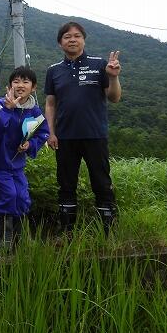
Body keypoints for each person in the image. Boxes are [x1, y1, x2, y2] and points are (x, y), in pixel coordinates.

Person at [44, 22, 122, 234]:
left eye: (77, 36)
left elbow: (114, 97)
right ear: (60, 43)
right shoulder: (53, 70)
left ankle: (107, 232)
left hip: (95, 135)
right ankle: (67, 232)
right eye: (67, 36)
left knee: (102, 182)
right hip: (65, 137)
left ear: (84, 40)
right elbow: (50, 104)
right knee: (66, 184)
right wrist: (51, 132)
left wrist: (113, 77)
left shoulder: (100, 64)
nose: (72, 39)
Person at [0, 66, 49, 246]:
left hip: (17, 165)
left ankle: (21, 237)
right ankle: (4, 238)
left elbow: (43, 132)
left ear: (33, 87)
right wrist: (8, 110)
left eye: (25, 82)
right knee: (8, 195)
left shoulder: (34, 111)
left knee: (22, 197)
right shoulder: (0, 105)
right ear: (9, 86)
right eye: (16, 81)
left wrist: (30, 144)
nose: (20, 85)